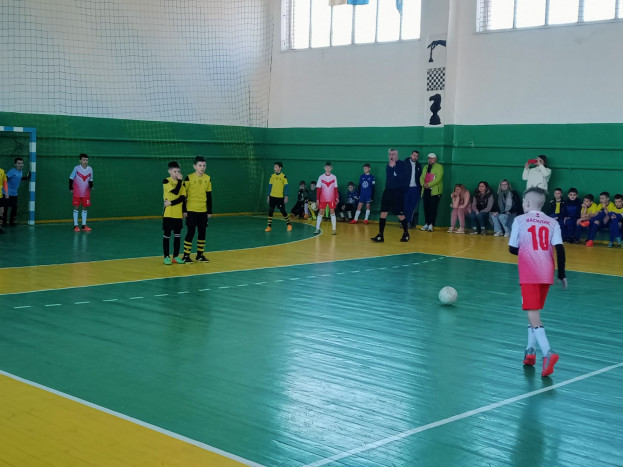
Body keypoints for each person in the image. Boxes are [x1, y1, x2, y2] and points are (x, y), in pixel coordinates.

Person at [509, 187, 567, 378]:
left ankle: (548, 353)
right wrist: (562, 274)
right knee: (532, 310)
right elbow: (560, 249)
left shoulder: (520, 220)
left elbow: (512, 248)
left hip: (529, 272)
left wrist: (528, 251)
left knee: (533, 314)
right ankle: (530, 351)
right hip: (546, 272)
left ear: (526, 203)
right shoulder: (552, 222)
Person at [371, 148, 410, 242]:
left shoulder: (403, 165)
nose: (391, 156)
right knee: (383, 212)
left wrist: (394, 167)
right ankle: (380, 235)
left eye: (393, 154)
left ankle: (406, 233)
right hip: (388, 192)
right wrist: (391, 167)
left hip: (398, 193)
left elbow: (402, 178)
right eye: (390, 154)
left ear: (397, 155)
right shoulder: (388, 165)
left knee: (399, 214)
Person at [182, 155, 212, 263]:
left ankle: (200, 255)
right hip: (191, 210)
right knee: (191, 232)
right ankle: (186, 256)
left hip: (203, 211)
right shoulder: (188, 178)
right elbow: (183, 195)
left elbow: (209, 196)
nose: (202, 167)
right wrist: (184, 210)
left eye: (204, 165)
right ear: (194, 166)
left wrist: (209, 211)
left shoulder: (208, 178)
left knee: (202, 232)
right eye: (200, 165)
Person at [162, 161, 186, 265]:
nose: (177, 174)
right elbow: (176, 192)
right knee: (167, 235)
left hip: (178, 213)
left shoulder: (182, 183)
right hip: (168, 213)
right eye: (175, 171)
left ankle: (175, 256)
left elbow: (182, 198)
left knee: (177, 236)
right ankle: (166, 256)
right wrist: (180, 181)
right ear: (169, 171)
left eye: (178, 171)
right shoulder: (166, 181)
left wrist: (171, 203)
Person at [2, 157, 31, 226]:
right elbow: (5, 179)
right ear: (15, 164)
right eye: (18, 163)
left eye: (21, 163)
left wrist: (26, 177)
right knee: (5, 208)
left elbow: (17, 178)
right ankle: (4, 223)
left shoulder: (20, 172)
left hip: (14, 194)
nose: (20, 165)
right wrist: (6, 191)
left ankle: (11, 222)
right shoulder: (12, 171)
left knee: (14, 208)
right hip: (6, 193)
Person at [69, 153, 93, 232]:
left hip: (86, 192)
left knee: (85, 207)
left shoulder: (90, 169)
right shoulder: (76, 168)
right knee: (76, 207)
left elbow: (91, 180)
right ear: (80, 161)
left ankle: (84, 225)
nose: (85, 161)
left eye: (86, 160)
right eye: (84, 160)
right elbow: (71, 178)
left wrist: (91, 187)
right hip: (77, 192)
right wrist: (71, 188)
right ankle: (75, 226)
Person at [265, 162, 292, 232]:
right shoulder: (272, 176)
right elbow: (270, 186)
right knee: (270, 211)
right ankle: (269, 226)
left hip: (280, 197)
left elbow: (286, 187)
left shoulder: (283, 176)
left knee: (283, 211)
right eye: (274, 167)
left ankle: (289, 224)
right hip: (272, 197)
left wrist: (286, 196)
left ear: (280, 168)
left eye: (276, 167)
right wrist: (268, 196)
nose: (274, 168)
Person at [419, 153, 444, 232]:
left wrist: (429, 184)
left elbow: (438, 178)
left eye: (432, 158)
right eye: (429, 158)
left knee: (433, 208)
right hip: (426, 190)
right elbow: (421, 177)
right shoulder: (425, 167)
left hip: (435, 191)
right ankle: (427, 223)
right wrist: (423, 184)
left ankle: (431, 225)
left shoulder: (439, 167)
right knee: (426, 207)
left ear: (435, 159)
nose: (430, 160)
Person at [314, 161, 339, 235]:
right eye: (326, 167)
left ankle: (334, 229)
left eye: (329, 167)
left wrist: (336, 197)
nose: (328, 169)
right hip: (323, 198)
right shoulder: (321, 177)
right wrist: (317, 199)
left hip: (331, 198)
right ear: (324, 168)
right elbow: (318, 189)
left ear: (331, 168)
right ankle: (317, 229)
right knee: (321, 212)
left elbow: (335, 189)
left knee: (332, 212)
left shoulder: (334, 177)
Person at [404, 150, 422, 228]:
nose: (415, 157)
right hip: (406, 188)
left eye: (417, 156)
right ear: (411, 155)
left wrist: (420, 189)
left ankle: (408, 222)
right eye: (414, 155)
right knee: (405, 205)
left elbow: (420, 177)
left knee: (412, 207)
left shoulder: (419, 166)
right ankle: (403, 222)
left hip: (415, 189)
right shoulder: (405, 163)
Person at [0, 166, 8, 234]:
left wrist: (6, 192)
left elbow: (5, 182)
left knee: (1, 211)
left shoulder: (2, 171)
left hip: (0, 196)